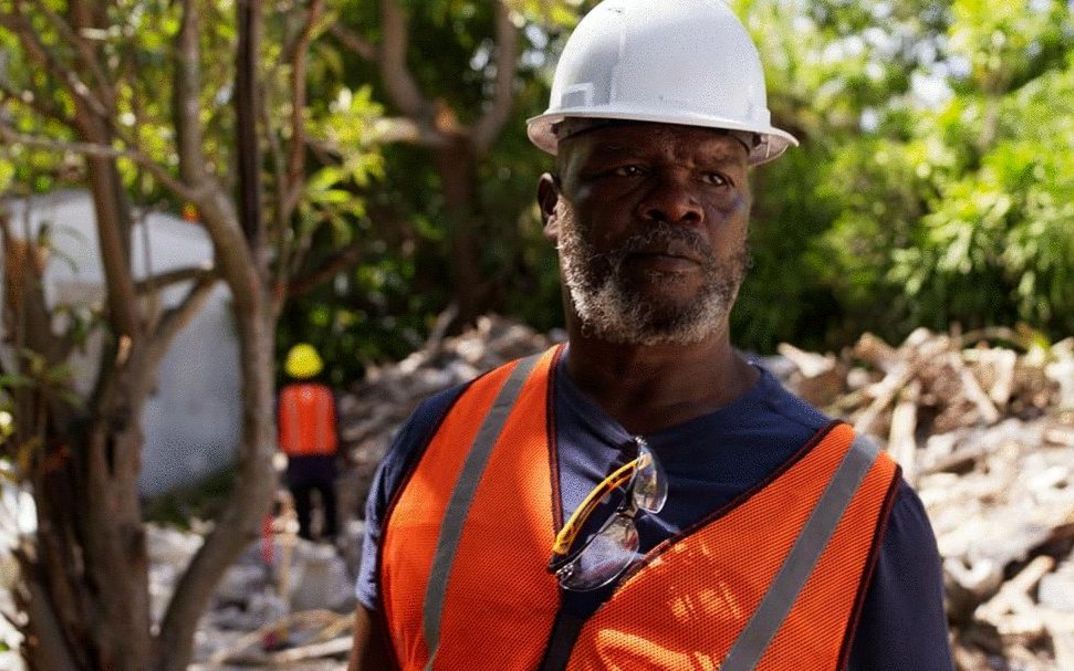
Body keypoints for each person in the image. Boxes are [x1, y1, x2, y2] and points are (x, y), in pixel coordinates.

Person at [349, 0, 953, 668]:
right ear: (554, 207)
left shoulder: (861, 518)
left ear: (746, 216)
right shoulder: (438, 448)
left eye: (715, 175)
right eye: (628, 169)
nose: (677, 200)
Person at [278, 342, 340, 542]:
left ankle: (305, 536)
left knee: (301, 499)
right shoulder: (326, 394)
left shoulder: (285, 396)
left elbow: (278, 424)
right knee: (328, 496)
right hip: (324, 454)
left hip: (297, 456)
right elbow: (336, 422)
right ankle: (331, 533)